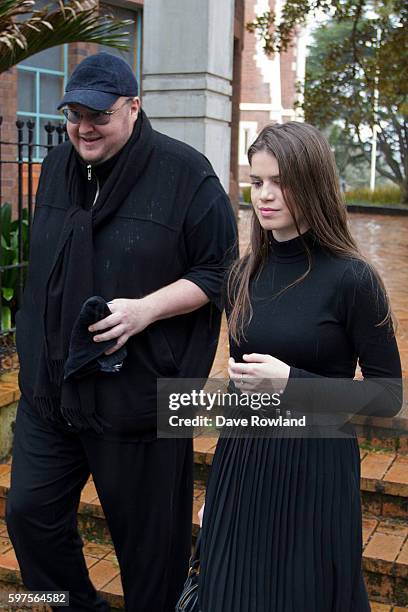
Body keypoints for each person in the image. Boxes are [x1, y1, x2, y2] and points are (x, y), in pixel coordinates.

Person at [6, 52, 237, 612]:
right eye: (74, 114)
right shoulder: (59, 165)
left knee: (151, 555)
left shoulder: (188, 175)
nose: (84, 127)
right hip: (52, 394)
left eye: (99, 115)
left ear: (134, 107)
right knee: (29, 515)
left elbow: (220, 272)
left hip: (139, 401)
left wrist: (145, 310)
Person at [197, 122, 402, 611]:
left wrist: (292, 383)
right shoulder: (242, 275)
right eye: (256, 182)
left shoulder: (353, 279)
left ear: (311, 182)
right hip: (246, 465)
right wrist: (221, 487)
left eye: (278, 182)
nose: (263, 196)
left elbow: (388, 397)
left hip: (316, 473)